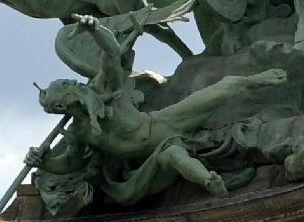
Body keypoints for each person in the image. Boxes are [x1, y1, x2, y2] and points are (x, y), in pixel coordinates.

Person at [27, 14, 288, 206]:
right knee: (174, 155)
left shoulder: (104, 88)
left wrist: (96, 30)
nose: (72, 82)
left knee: (220, 89)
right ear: (60, 106)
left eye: (67, 80)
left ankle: (258, 79)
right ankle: (210, 181)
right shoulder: (81, 132)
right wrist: (45, 161)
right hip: (153, 157)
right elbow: (70, 162)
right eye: (65, 86)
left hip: (164, 121)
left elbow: (112, 53)